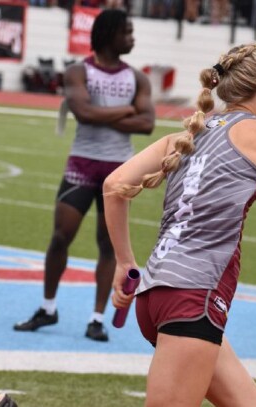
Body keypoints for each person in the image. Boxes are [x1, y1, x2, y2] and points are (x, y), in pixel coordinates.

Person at [102, 42, 256, 406]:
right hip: (193, 297)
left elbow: (113, 188)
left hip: (158, 294)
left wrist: (124, 262)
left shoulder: (188, 134)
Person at [13, 9, 155, 342]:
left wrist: (103, 113)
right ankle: (48, 308)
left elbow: (147, 124)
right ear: (109, 35)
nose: (132, 39)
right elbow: (83, 113)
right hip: (82, 164)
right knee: (61, 237)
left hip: (120, 169)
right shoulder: (78, 71)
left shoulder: (138, 78)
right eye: (128, 32)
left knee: (109, 245)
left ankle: (96, 318)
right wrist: (126, 110)